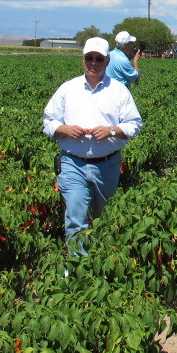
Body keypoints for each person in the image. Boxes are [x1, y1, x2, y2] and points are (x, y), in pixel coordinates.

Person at [42, 37, 142, 252]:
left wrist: (111, 130)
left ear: (107, 61)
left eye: (99, 59)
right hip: (72, 163)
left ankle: (100, 263)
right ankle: (78, 268)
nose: (93, 63)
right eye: (89, 58)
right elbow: (48, 121)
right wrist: (64, 129)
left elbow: (135, 124)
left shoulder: (118, 91)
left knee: (103, 217)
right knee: (76, 218)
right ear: (83, 60)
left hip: (106, 165)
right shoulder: (68, 89)